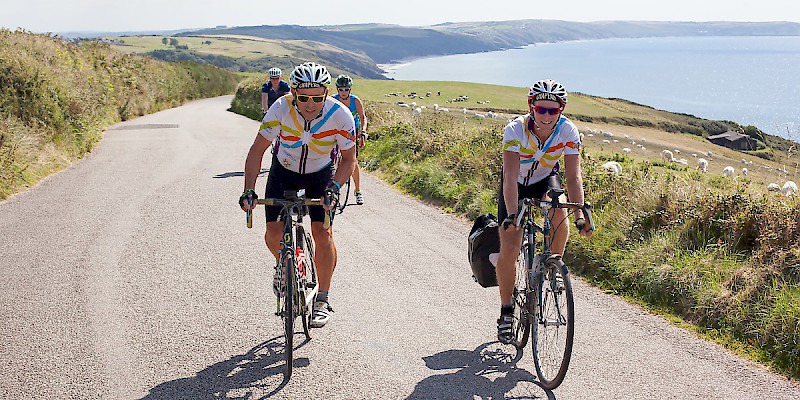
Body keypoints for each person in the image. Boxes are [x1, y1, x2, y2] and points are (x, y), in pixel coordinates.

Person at [240, 62, 357, 328]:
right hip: (285, 171)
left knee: (322, 233)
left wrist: (335, 187)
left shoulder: (340, 115)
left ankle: (322, 299)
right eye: (303, 97)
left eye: (318, 97)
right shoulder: (280, 107)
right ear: (293, 92)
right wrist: (249, 189)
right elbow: (257, 150)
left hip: (321, 174)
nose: (311, 104)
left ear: (326, 94)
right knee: (272, 233)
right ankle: (284, 264)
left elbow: (349, 160)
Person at [495, 79, 592, 344]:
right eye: (541, 109)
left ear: (561, 110)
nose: (547, 115)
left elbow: (573, 178)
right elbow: (510, 175)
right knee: (511, 246)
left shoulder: (568, 132)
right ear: (531, 107)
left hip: (545, 181)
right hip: (514, 185)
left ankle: (552, 265)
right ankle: (506, 311)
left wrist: (581, 213)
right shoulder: (515, 130)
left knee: (559, 212)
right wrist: (514, 215)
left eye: (553, 110)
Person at [332, 74, 368, 205]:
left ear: (350, 89)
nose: (343, 92)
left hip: (352, 133)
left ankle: (358, 191)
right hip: (337, 132)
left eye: (346, 89)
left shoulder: (355, 101)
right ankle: (335, 186)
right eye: (340, 90)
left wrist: (363, 132)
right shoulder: (332, 100)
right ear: (337, 89)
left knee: (353, 161)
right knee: (333, 159)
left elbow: (363, 117)